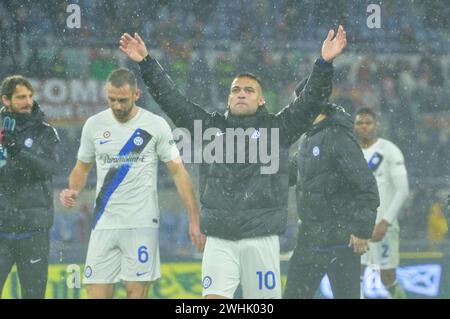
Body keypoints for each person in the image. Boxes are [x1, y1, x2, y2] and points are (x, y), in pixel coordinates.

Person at [119, 25, 347, 299]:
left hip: (261, 241)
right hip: (219, 241)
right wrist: (146, 63)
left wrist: (324, 64)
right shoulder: (210, 128)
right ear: (228, 97)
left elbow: (310, 104)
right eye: (236, 89)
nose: (241, 93)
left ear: (261, 99)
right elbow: (174, 103)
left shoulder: (278, 129)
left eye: (249, 90)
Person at [59, 68, 204, 299]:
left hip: (141, 223)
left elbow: (178, 171)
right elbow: (81, 167)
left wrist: (194, 218)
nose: (116, 106)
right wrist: (73, 189)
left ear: (136, 94)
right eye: (112, 100)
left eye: (123, 100)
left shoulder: (155, 125)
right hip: (103, 223)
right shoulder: (94, 125)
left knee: (135, 294)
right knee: (95, 294)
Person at [283, 103, 379, 299]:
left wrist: (361, 230)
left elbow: (366, 185)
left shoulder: (339, 136)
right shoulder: (307, 137)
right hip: (309, 237)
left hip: (340, 239)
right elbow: (289, 174)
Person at [0, 75, 60, 298]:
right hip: (1, 228)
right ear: (6, 100)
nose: (28, 101)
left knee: (33, 295)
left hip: (33, 231)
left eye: (30, 96)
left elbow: (50, 168)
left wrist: (18, 151)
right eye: (21, 97)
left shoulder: (45, 131)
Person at [355, 107, 409, 299]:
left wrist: (385, 222)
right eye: (359, 123)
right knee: (355, 273)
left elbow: (403, 189)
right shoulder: (350, 152)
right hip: (358, 227)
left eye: (367, 122)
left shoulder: (389, 150)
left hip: (384, 226)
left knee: (387, 277)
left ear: (376, 125)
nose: (363, 127)